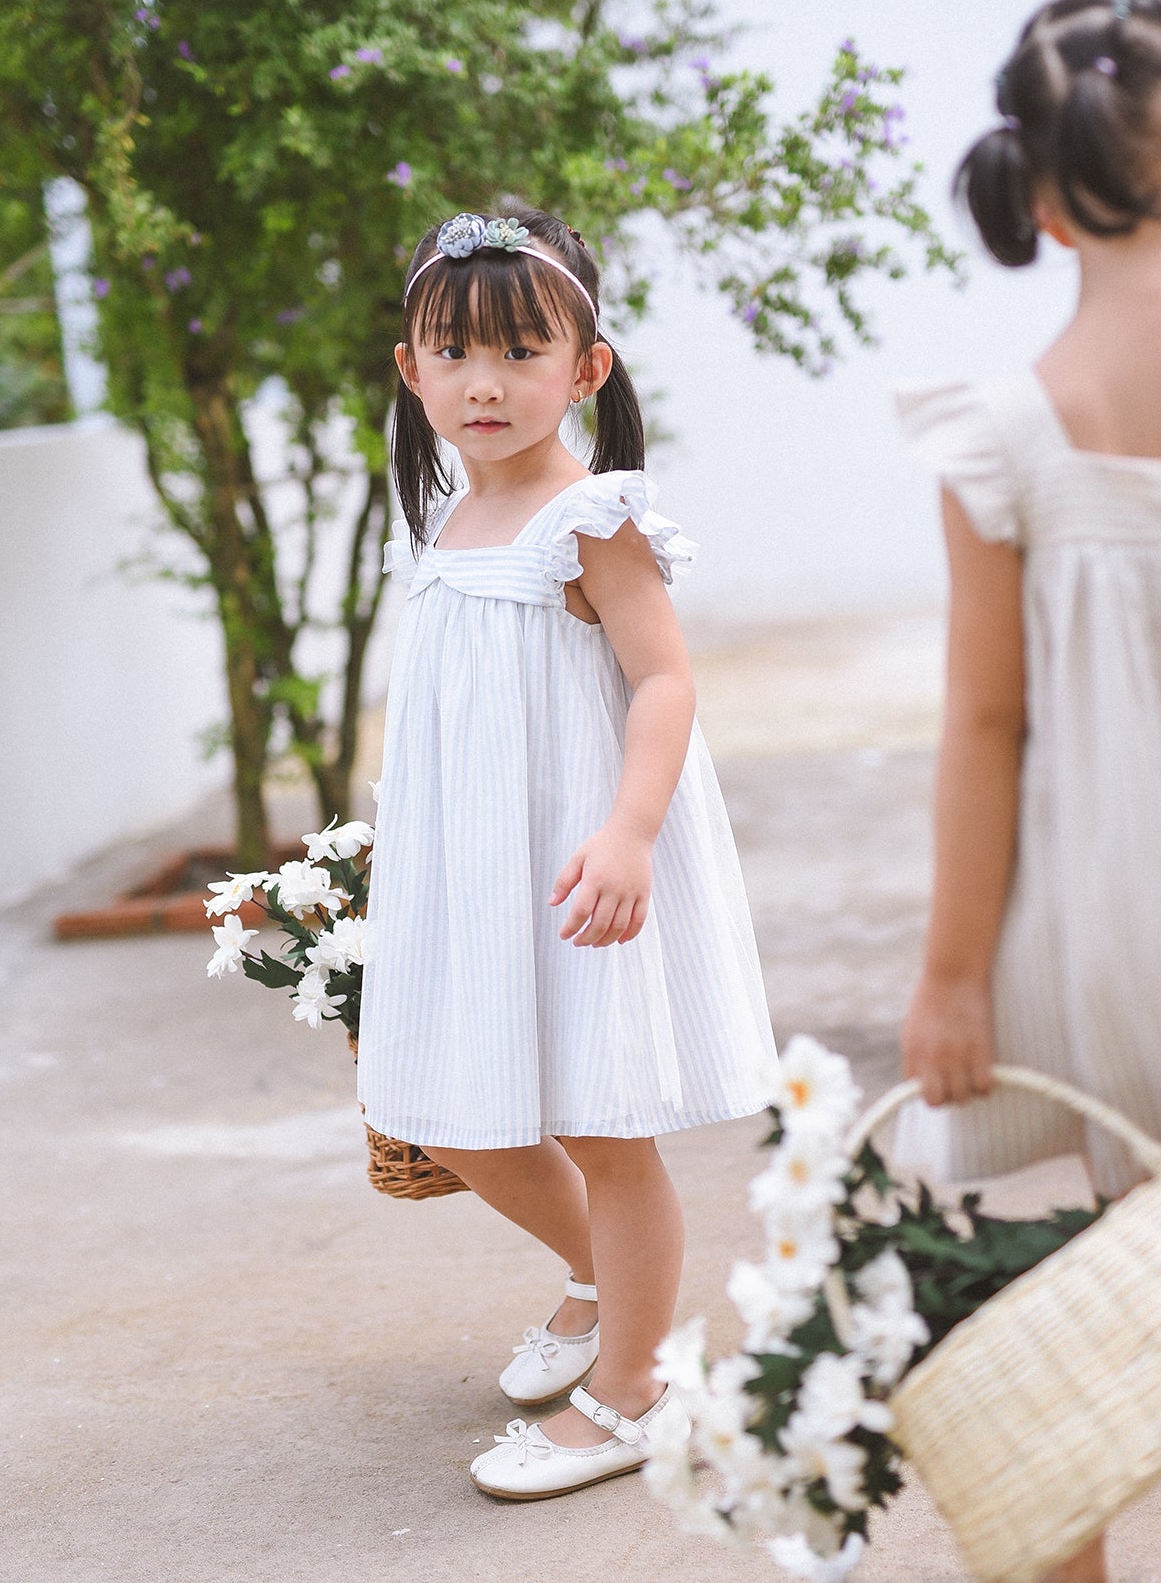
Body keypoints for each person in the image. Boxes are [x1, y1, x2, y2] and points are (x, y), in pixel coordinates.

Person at [357, 206, 777, 1500]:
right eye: (456, 351)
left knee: (604, 1120)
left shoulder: (589, 519)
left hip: (583, 866)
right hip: (478, 873)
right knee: (454, 1114)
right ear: (411, 368)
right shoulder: (444, 525)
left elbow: (662, 683)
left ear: (586, 368)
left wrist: (631, 832)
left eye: (522, 351)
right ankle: (607, 1286)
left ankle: (636, 1387)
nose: (486, 383)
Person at [896, 0, 1161, 1583]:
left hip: (1096, 929)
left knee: (1081, 1323)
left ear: (1044, 203)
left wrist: (946, 979)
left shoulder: (1004, 435)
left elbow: (982, 724)